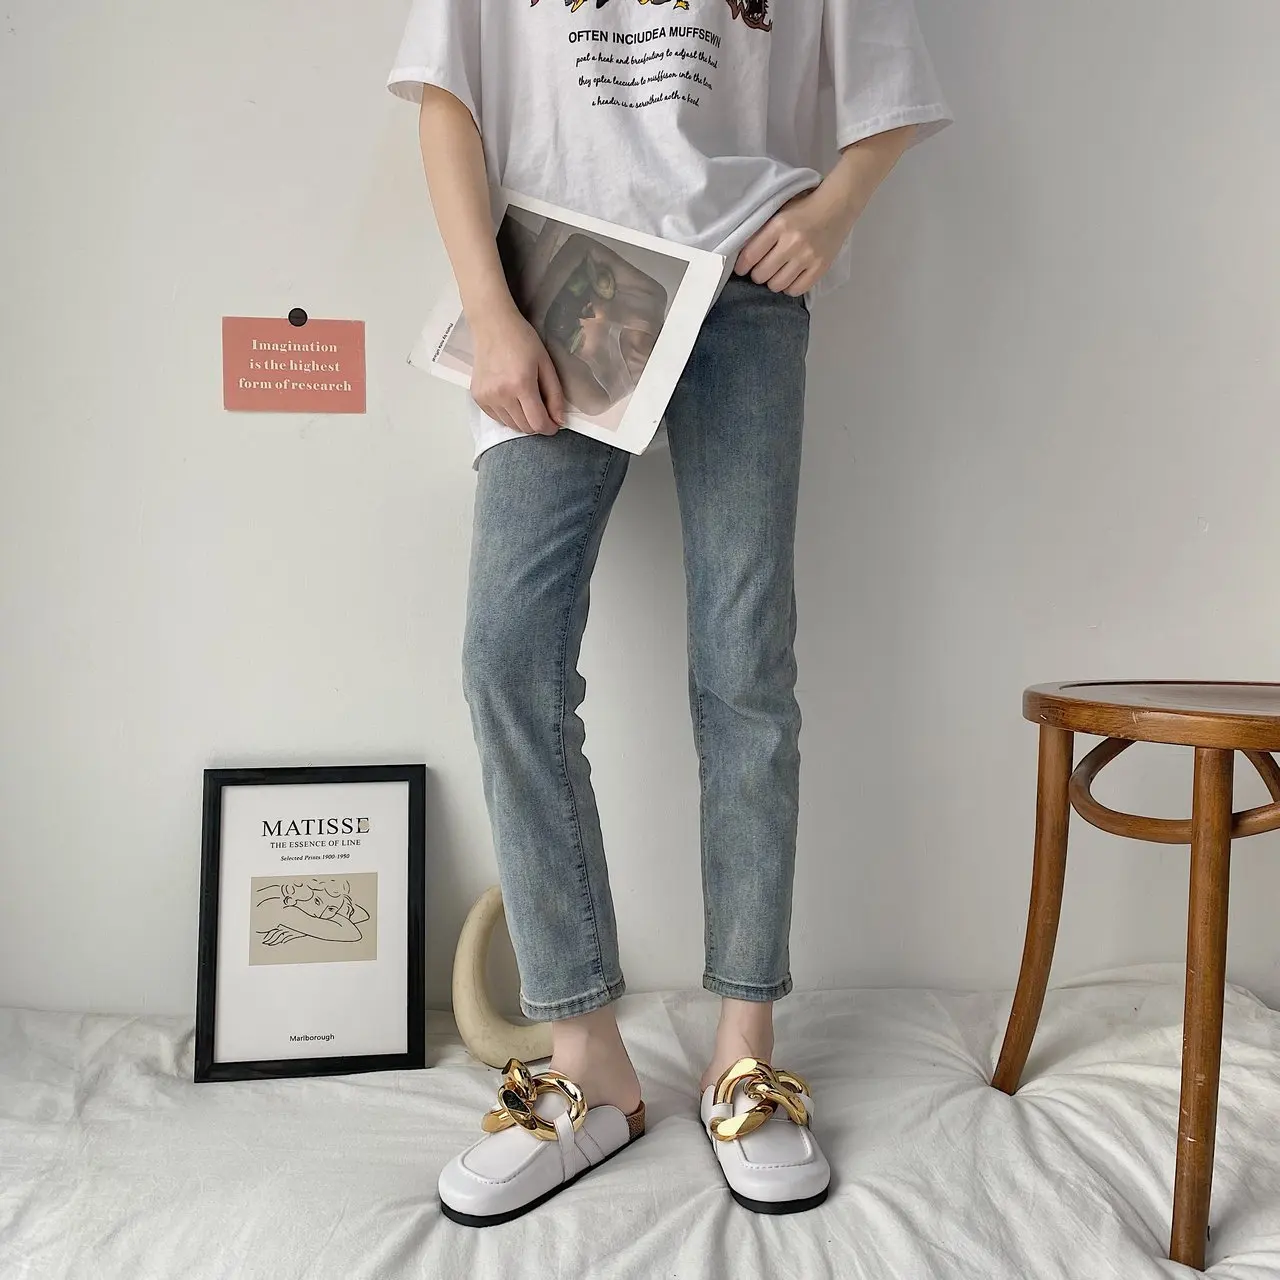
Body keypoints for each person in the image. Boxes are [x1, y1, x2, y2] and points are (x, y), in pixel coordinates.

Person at [387, 0, 951, 1226]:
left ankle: (744, 1047)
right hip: (553, 276)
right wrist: (488, 308)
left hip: (742, 286)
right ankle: (587, 1063)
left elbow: (889, 95)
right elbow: (445, 94)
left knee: (743, 664)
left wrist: (831, 212)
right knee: (508, 658)